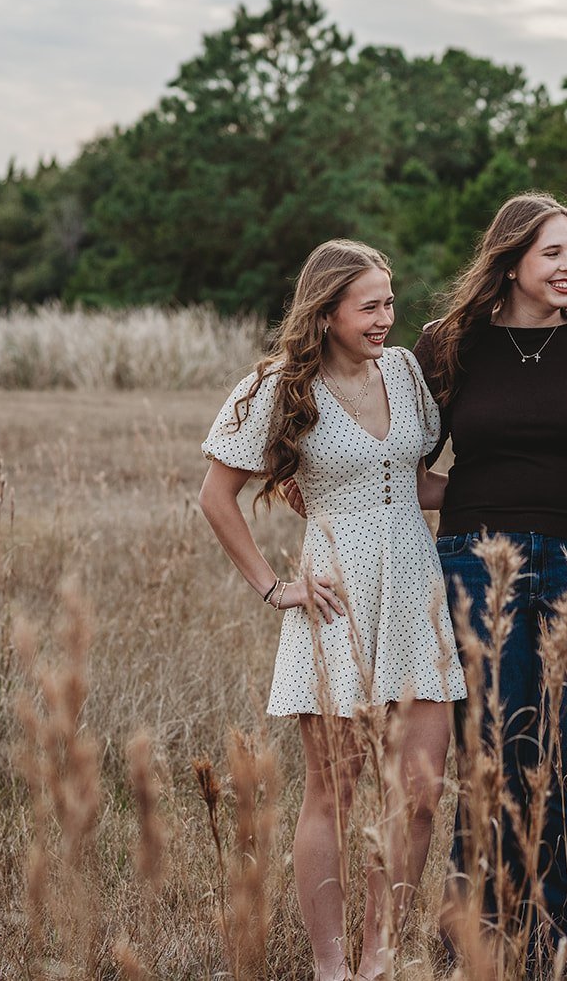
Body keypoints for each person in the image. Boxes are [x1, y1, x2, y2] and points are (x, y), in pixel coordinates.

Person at [198, 239, 467, 981]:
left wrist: (520, 482)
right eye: (369, 306)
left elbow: (413, 485)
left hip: (415, 590)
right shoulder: (280, 386)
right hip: (335, 597)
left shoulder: (407, 371)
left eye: (390, 302)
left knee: (418, 794)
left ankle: (381, 954)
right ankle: (332, 966)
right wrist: (272, 586)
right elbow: (215, 498)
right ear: (327, 311)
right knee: (336, 792)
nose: (387, 318)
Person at [414, 192, 567, 968]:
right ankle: (474, 941)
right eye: (554, 251)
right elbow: (405, 460)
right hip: (476, 564)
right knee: (490, 754)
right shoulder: (447, 346)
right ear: (510, 260)